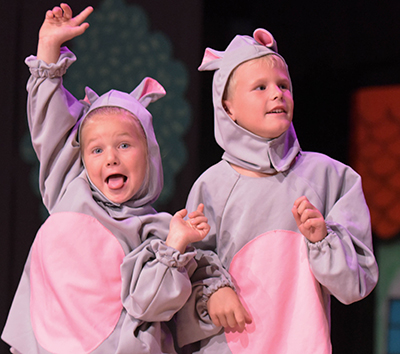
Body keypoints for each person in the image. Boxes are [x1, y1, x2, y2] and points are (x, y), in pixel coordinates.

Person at [1, 4, 231, 353]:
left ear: (150, 153)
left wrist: (173, 248)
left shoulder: (157, 231)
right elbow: (48, 121)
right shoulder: (68, 188)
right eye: (96, 150)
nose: (110, 157)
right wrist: (48, 47)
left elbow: (152, 304)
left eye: (124, 144)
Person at [175, 28, 379, 353]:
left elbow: (356, 284)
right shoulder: (211, 186)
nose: (277, 94)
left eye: (283, 85)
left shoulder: (331, 177)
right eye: (260, 87)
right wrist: (213, 290)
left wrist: (322, 240)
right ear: (228, 109)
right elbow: (190, 265)